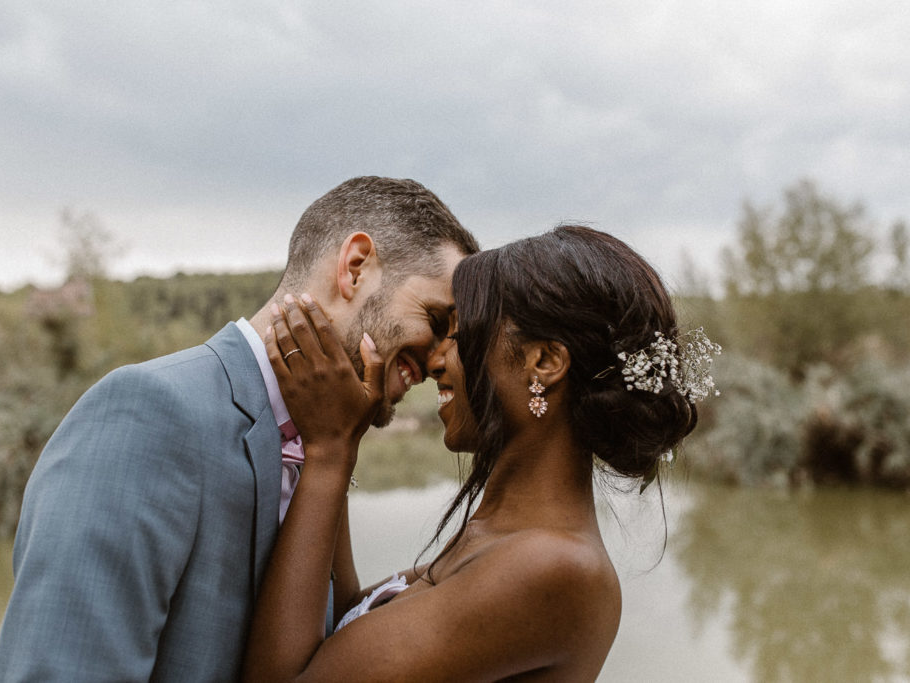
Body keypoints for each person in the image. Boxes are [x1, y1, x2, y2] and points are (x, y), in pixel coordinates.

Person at [0, 176, 479, 681]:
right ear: (355, 268)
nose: (439, 357)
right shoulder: (148, 413)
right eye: (437, 319)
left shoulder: (326, 440)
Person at [244, 225, 719, 681]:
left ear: (544, 363)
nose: (435, 361)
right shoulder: (500, 537)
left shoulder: (554, 567)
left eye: (457, 333)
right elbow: (342, 629)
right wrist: (344, 437)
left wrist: (328, 451)